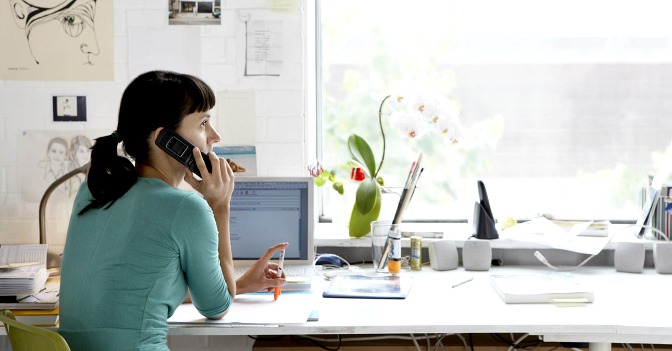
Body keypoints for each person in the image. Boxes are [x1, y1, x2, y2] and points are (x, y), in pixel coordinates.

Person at [58, 70, 287, 351]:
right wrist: (219, 206)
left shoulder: (93, 192)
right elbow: (217, 306)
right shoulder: (186, 208)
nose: (215, 136)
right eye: (203, 123)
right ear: (166, 140)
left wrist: (239, 283)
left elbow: (130, 292)